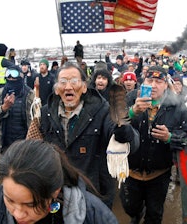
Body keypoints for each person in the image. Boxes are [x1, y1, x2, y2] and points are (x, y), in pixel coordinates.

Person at [36, 62, 139, 209]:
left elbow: (132, 144)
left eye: (74, 82)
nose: (68, 87)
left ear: (84, 87)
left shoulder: (103, 110)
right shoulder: (45, 113)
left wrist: (121, 125)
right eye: (63, 82)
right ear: (57, 89)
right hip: (59, 193)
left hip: (95, 194)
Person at [122, 66, 187, 223]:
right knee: (129, 207)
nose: (153, 85)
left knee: (155, 214)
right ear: (143, 82)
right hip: (130, 170)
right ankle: (136, 214)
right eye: (150, 80)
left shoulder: (177, 105)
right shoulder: (130, 98)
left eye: (158, 81)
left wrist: (170, 137)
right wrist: (132, 112)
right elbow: (113, 123)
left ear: (165, 84)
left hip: (159, 173)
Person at [0, 139, 118, 224]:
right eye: (9, 200)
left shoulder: (93, 215)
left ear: (55, 191)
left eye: (31, 204)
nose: (18, 214)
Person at [0, 68, 35, 153]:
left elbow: (36, 119)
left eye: (14, 80)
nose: (11, 82)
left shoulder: (30, 95)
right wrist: (4, 108)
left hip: (25, 143)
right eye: (9, 80)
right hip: (5, 144)